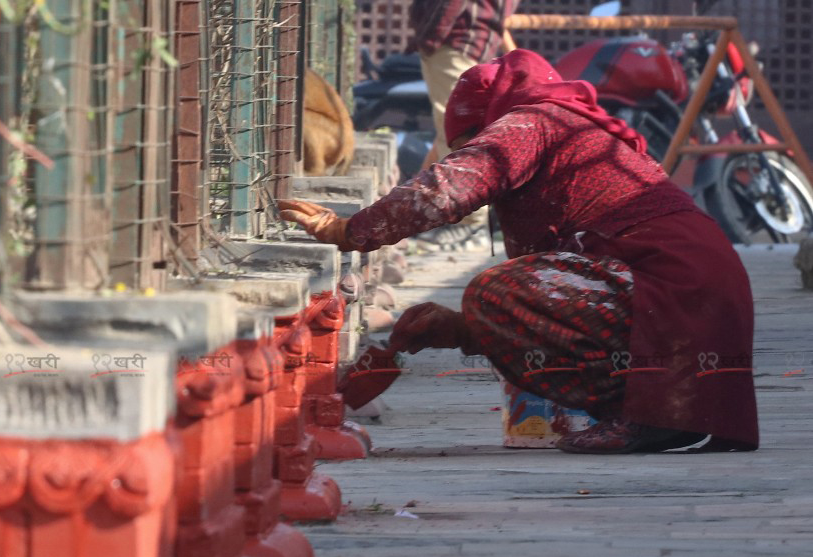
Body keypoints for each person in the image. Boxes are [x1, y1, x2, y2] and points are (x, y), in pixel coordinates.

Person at [278, 49, 758, 454]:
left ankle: (644, 414)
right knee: (500, 296)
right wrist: (464, 331)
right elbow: (559, 301)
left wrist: (348, 230)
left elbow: (447, 189)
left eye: (469, 144)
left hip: (677, 285)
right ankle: (657, 411)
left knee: (493, 289)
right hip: (695, 288)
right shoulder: (566, 128)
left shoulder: (532, 121)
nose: (469, 154)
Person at [409, 0, 519, 249]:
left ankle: (469, 225)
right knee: (453, 131)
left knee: (460, 133)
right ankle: (464, 220)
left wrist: (434, 33)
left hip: (455, 39)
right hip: (460, 38)